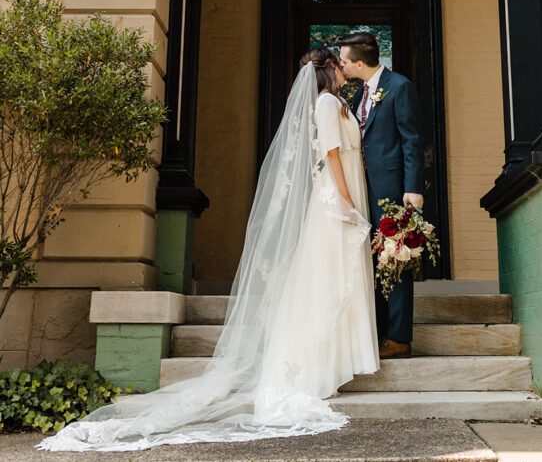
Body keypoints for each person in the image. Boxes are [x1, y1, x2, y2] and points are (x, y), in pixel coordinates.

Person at [38, 49, 378, 452]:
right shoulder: (324, 103)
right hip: (334, 200)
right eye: (339, 66)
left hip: (347, 192)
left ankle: (336, 360)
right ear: (328, 71)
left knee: (338, 276)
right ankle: (317, 367)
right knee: (327, 276)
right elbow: (331, 155)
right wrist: (344, 199)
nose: (344, 70)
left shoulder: (339, 104)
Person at [337, 31, 424, 360]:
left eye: (344, 60)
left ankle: (400, 338)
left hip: (394, 191)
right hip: (365, 189)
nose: (341, 65)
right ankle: (378, 331)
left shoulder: (399, 87)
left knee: (397, 259)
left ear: (359, 62)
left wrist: (412, 188)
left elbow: (411, 140)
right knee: (374, 260)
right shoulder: (360, 92)